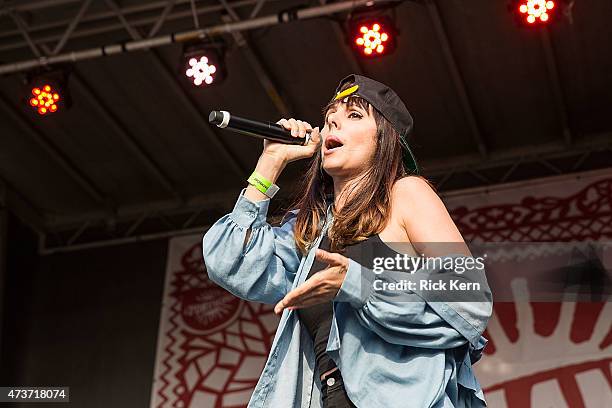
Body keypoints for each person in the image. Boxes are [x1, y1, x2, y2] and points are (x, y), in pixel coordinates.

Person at [203, 74, 492, 407]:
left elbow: (470, 300)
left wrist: (358, 284)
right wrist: (271, 162)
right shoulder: (310, 231)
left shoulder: (406, 195)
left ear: (385, 139)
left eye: (354, 115)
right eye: (329, 119)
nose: (333, 125)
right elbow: (229, 261)